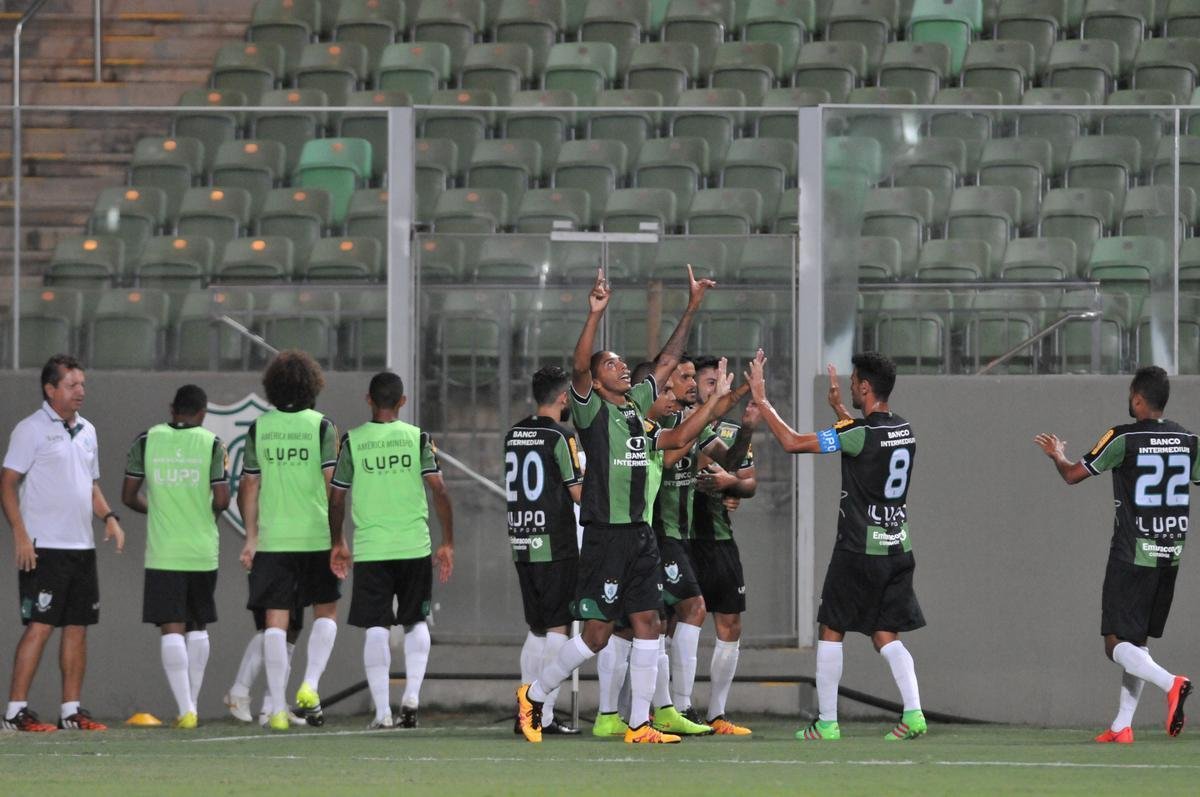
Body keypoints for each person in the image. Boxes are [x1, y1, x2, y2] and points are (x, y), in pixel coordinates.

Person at [517, 265, 744, 745]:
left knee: (649, 623)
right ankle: (535, 695)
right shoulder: (592, 409)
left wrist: (693, 306)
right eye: (610, 364)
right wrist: (594, 314)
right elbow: (579, 366)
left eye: (622, 362)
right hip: (607, 534)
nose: (621, 367)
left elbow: (670, 374)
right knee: (596, 636)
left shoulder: (637, 410)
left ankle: (639, 723)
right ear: (595, 383)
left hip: (641, 536)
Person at [746, 350, 927, 742]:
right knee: (885, 634)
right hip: (897, 547)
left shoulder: (857, 433)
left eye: (853, 384)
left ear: (865, 386)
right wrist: (841, 410)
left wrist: (761, 399)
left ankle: (827, 722)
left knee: (832, 628)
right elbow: (868, 444)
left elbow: (794, 443)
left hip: (858, 549)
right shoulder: (905, 429)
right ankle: (914, 714)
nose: (850, 387)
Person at [1035, 365, 1195, 743]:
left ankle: (1172, 683)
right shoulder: (1190, 440)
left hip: (1132, 554)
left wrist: (1058, 455)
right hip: (1169, 553)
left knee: (1115, 643)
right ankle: (1122, 725)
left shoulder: (1122, 437)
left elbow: (1073, 475)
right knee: (1136, 641)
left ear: (1138, 398)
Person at [1, 354, 125, 732]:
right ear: (50, 389)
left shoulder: (87, 430)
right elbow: (7, 483)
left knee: (77, 626)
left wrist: (110, 518)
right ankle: (14, 712)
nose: (80, 392)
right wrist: (21, 535)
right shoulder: (30, 429)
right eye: (72, 385)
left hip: (81, 547)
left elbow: (90, 485)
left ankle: (71, 710)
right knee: (40, 625)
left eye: (82, 384)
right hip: (45, 547)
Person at [329, 371, 454, 729]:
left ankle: (383, 712)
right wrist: (448, 542)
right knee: (416, 620)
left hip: (371, 549)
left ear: (369, 400)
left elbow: (337, 498)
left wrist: (338, 541)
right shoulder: (417, 438)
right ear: (402, 401)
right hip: (413, 545)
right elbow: (440, 491)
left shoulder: (353, 442)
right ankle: (412, 695)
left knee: (376, 627)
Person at [239, 350, 340, 731]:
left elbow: (249, 484)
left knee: (275, 623)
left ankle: (277, 708)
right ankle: (310, 686)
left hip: (274, 540)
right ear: (313, 385)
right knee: (326, 612)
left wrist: (251, 537)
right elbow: (334, 486)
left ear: (273, 387)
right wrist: (338, 537)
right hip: (315, 535)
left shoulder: (259, 428)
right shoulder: (321, 427)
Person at [121, 384, 230, 729]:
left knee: (171, 627)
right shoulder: (212, 444)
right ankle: (192, 704)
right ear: (202, 413)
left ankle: (186, 709)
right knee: (198, 626)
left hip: (164, 551)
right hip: (202, 550)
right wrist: (203, 513)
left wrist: (157, 510)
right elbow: (224, 500)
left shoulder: (146, 440)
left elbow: (128, 496)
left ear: (172, 409)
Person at [505, 365, 583, 735]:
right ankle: (542, 714)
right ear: (564, 397)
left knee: (536, 627)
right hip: (555, 542)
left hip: (522, 539)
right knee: (557, 627)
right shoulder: (560, 436)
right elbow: (578, 492)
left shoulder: (514, 434)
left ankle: (526, 710)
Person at [692, 354, 760, 736]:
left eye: (720, 382)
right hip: (681, 538)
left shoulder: (733, 433)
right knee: (670, 625)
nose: (714, 388)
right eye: (707, 382)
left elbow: (749, 481)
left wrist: (730, 486)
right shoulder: (684, 424)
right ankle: (668, 707)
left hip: (719, 538)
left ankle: (717, 714)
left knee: (730, 623)